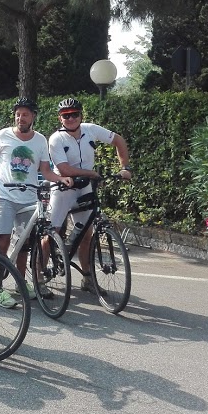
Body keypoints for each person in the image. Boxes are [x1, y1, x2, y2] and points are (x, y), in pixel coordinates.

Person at [0, 98, 71, 306]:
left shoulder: (40, 140)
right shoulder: (4, 135)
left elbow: (45, 170)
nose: (20, 118)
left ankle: (20, 283)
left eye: (25, 114)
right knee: (2, 241)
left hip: (28, 199)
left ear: (33, 117)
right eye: (18, 114)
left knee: (24, 244)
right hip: (5, 196)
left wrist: (60, 179)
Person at [47, 97, 132, 293]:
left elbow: (118, 140)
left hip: (85, 187)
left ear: (81, 115)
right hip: (63, 188)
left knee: (87, 235)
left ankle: (87, 278)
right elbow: (64, 169)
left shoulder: (91, 129)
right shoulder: (56, 139)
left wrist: (125, 167)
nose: (71, 118)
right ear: (60, 118)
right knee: (51, 233)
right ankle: (40, 276)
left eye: (74, 114)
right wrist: (91, 173)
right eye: (66, 115)